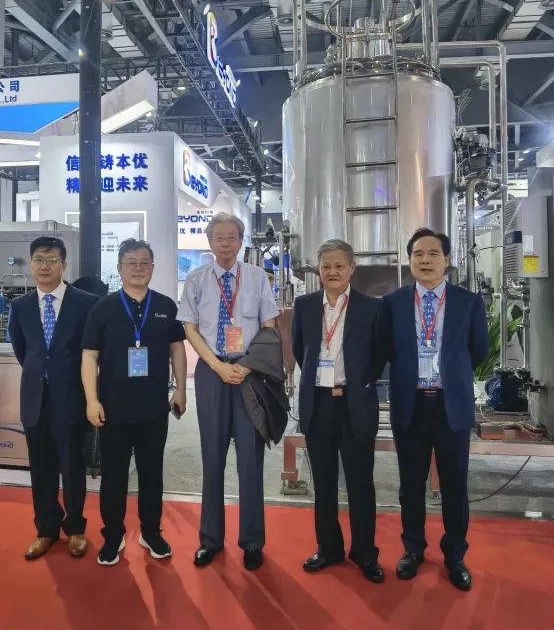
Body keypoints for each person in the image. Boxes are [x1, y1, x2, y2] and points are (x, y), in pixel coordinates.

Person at [376, 229, 488, 592]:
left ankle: (455, 555)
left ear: (447, 260)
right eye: (418, 254)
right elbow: (384, 350)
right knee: (411, 485)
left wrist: (450, 377)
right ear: (409, 260)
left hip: (450, 405)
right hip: (410, 405)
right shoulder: (391, 303)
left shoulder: (467, 302)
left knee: (455, 486)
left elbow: (479, 350)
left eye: (433, 254)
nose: (425, 260)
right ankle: (413, 550)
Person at [177, 212, 279, 571]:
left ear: (241, 241)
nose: (224, 243)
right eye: (218, 238)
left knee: (250, 460)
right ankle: (210, 539)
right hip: (211, 372)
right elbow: (189, 328)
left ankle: (252, 541)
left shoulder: (256, 277)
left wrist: (248, 365)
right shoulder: (196, 279)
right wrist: (217, 366)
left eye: (231, 237)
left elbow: (269, 326)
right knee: (212, 457)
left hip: (250, 373)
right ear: (209, 242)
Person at [82, 239, 188, 566]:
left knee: (152, 474)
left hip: (154, 408)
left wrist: (181, 389)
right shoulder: (103, 308)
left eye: (144, 263)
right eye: (131, 263)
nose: (138, 268)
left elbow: (177, 350)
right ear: (119, 269)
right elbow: (89, 356)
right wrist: (92, 400)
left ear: (153, 268)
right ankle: (112, 536)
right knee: (113, 476)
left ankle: (151, 532)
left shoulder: (166, 306)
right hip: (113, 408)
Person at [291, 239, 384, 584]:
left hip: (354, 403)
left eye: (339, 266)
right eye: (326, 266)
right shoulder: (304, 306)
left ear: (351, 269)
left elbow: (379, 355)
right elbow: (300, 350)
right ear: (318, 270)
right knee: (323, 481)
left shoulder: (371, 308)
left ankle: (365, 552)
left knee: (361, 483)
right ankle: (328, 548)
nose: (332, 272)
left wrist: (358, 381)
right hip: (318, 404)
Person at [8, 236, 99, 561]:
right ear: (31, 264)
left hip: (71, 397)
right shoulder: (20, 306)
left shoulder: (85, 303)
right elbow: (22, 350)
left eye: (51, 260)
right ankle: (46, 529)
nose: (44, 266)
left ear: (64, 265)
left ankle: (75, 529)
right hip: (35, 398)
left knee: (73, 465)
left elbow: (92, 350)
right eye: (38, 260)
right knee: (41, 467)